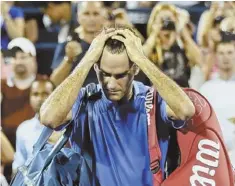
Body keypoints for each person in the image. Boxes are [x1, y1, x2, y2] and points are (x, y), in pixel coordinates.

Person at [39, 26, 197, 185]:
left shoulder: (152, 99)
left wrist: (142, 59)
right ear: (96, 67)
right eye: (105, 74)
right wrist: (87, 59)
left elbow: (185, 110)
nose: (111, 84)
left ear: (135, 69)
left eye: (120, 75)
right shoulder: (84, 99)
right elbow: (48, 118)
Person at [143, 4, 202, 87]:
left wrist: (182, 29)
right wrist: (154, 33)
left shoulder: (182, 46)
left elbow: (200, 61)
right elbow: (139, 59)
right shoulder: (151, 48)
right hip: (159, 96)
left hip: (183, 94)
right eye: (162, 20)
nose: (166, 23)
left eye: (169, 19)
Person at [12, 78, 63, 173]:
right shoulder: (23, 129)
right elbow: (19, 165)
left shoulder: (66, 127)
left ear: (55, 95)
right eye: (35, 94)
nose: (40, 99)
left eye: (45, 94)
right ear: (30, 97)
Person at [50, 1, 105, 87]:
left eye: (96, 14)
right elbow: (55, 82)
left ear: (103, 16)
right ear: (78, 16)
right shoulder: (67, 45)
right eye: (86, 14)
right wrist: (69, 59)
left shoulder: (112, 43)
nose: (91, 18)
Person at [199, 40, 235, 166]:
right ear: (215, 57)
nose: (226, 57)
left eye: (230, 52)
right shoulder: (206, 89)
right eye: (221, 53)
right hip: (214, 156)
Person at [1, 37, 37, 148]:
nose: (18, 61)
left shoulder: (42, 84)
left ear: (33, 59)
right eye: (14, 57)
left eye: (23, 57)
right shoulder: (2, 86)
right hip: (5, 145)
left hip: (34, 145)